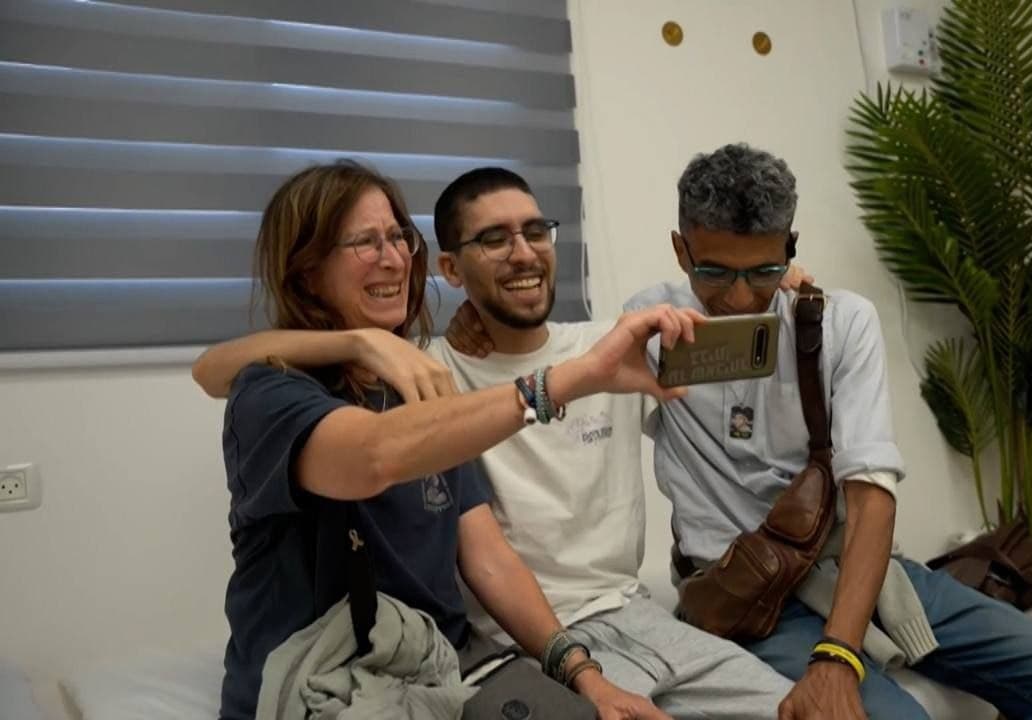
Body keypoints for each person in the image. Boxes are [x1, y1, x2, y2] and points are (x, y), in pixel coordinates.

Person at [193, 166, 795, 719]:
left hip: (445, 671)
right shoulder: (272, 393)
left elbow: (489, 560)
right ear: (306, 269)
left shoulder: (430, 396)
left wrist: (587, 677)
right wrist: (356, 342)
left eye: (399, 238)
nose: (394, 258)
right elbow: (372, 455)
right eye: (365, 242)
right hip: (323, 683)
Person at [617, 143, 1032, 719]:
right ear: (680, 250)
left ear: (790, 247)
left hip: (855, 568)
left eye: (763, 271)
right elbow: (557, 388)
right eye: (714, 272)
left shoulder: (838, 321)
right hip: (741, 595)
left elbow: (870, 498)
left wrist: (838, 655)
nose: (739, 297)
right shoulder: (648, 327)